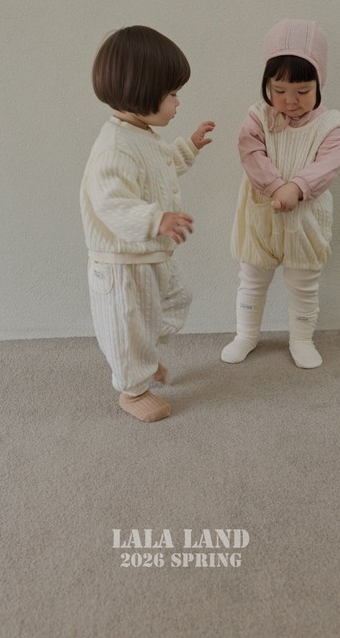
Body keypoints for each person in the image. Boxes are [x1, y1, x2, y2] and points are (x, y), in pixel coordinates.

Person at [80, 25, 215, 422]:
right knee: (126, 327)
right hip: (120, 264)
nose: (177, 102)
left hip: (148, 256)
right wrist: (155, 220)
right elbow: (111, 202)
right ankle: (132, 388)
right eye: (172, 94)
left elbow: (162, 166)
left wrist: (190, 146)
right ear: (142, 92)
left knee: (176, 298)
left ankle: (143, 356)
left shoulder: (143, 136)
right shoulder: (114, 147)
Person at [222, 18, 340, 369]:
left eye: (303, 91)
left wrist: (297, 187)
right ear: (267, 84)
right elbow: (250, 152)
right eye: (279, 90)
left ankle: (301, 338)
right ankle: (246, 334)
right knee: (252, 279)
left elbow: (330, 162)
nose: (290, 101)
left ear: (319, 84)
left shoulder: (329, 124)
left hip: (305, 221)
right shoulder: (258, 117)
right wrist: (277, 187)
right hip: (260, 216)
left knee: (303, 283)